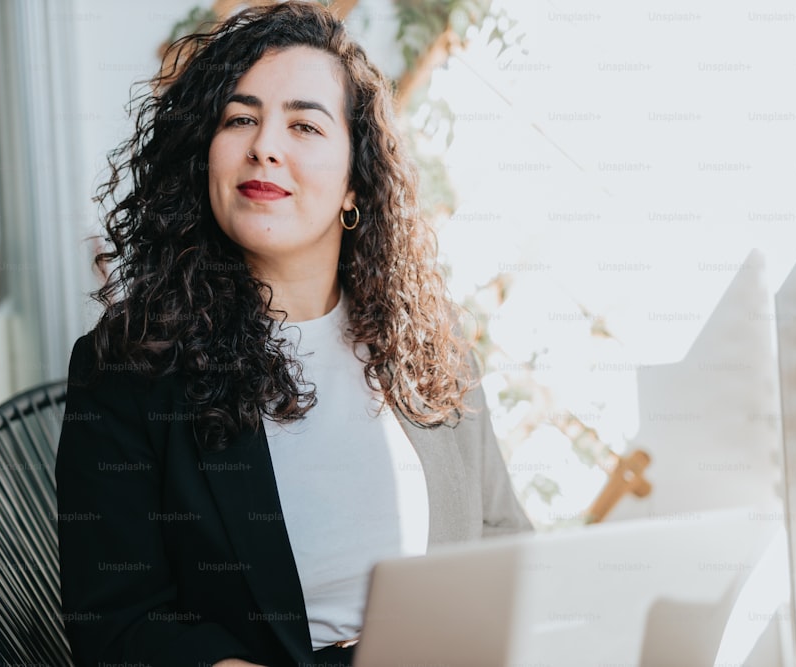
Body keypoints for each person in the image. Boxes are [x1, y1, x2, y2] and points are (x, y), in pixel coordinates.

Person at [55, 3, 531, 666]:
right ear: (205, 156)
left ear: (353, 181)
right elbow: (117, 624)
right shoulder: (129, 369)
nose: (265, 146)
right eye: (239, 118)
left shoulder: (428, 340)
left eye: (304, 123)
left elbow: (504, 540)